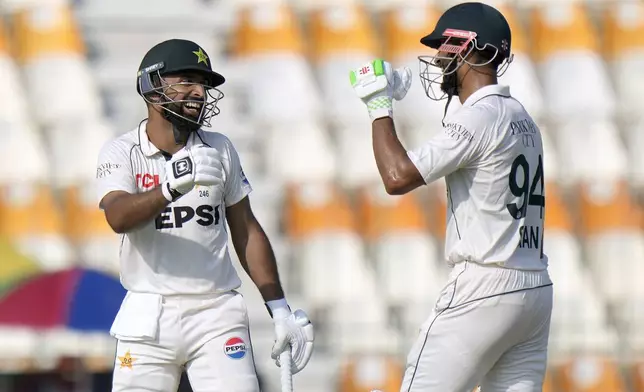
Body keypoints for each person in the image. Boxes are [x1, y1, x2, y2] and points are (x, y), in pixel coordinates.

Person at [350, 2, 552, 391]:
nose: (440, 55)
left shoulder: (479, 114)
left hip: (484, 285)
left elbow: (397, 177)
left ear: (475, 48)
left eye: (447, 45)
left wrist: (378, 106)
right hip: (535, 287)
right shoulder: (521, 115)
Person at [95, 38, 314, 392]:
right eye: (186, 81)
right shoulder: (123, 151)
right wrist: (170, 187)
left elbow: (246, 229)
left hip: (216, 312)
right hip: (149, 311)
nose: (199, 92)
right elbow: (117, 216)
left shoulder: (220, 147)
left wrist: (279, 308)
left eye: (204, 85)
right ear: (152, 87)